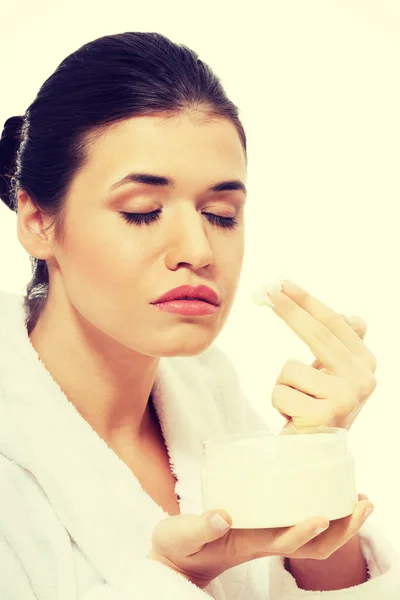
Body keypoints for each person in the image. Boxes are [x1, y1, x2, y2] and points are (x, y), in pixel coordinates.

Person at [0, 31, 398, 599]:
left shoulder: (211, 399)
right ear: (38, 221)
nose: (199, 249)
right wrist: (181, 579)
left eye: (221, 213)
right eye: (142, 211)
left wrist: (308, 466)